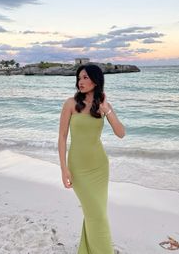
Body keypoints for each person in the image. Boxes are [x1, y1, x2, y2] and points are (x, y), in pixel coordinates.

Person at [58, 63, 125, 254]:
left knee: (95, 214)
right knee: (97, 216)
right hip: (78, 168)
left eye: (86, 77)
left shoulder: (103, 106)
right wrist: (64, 169)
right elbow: (62, 137)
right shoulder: (70, 104)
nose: (81, 81)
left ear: (96, 80)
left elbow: (121, 133)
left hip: (100, 167)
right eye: (79, 78)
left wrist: (106, 109)